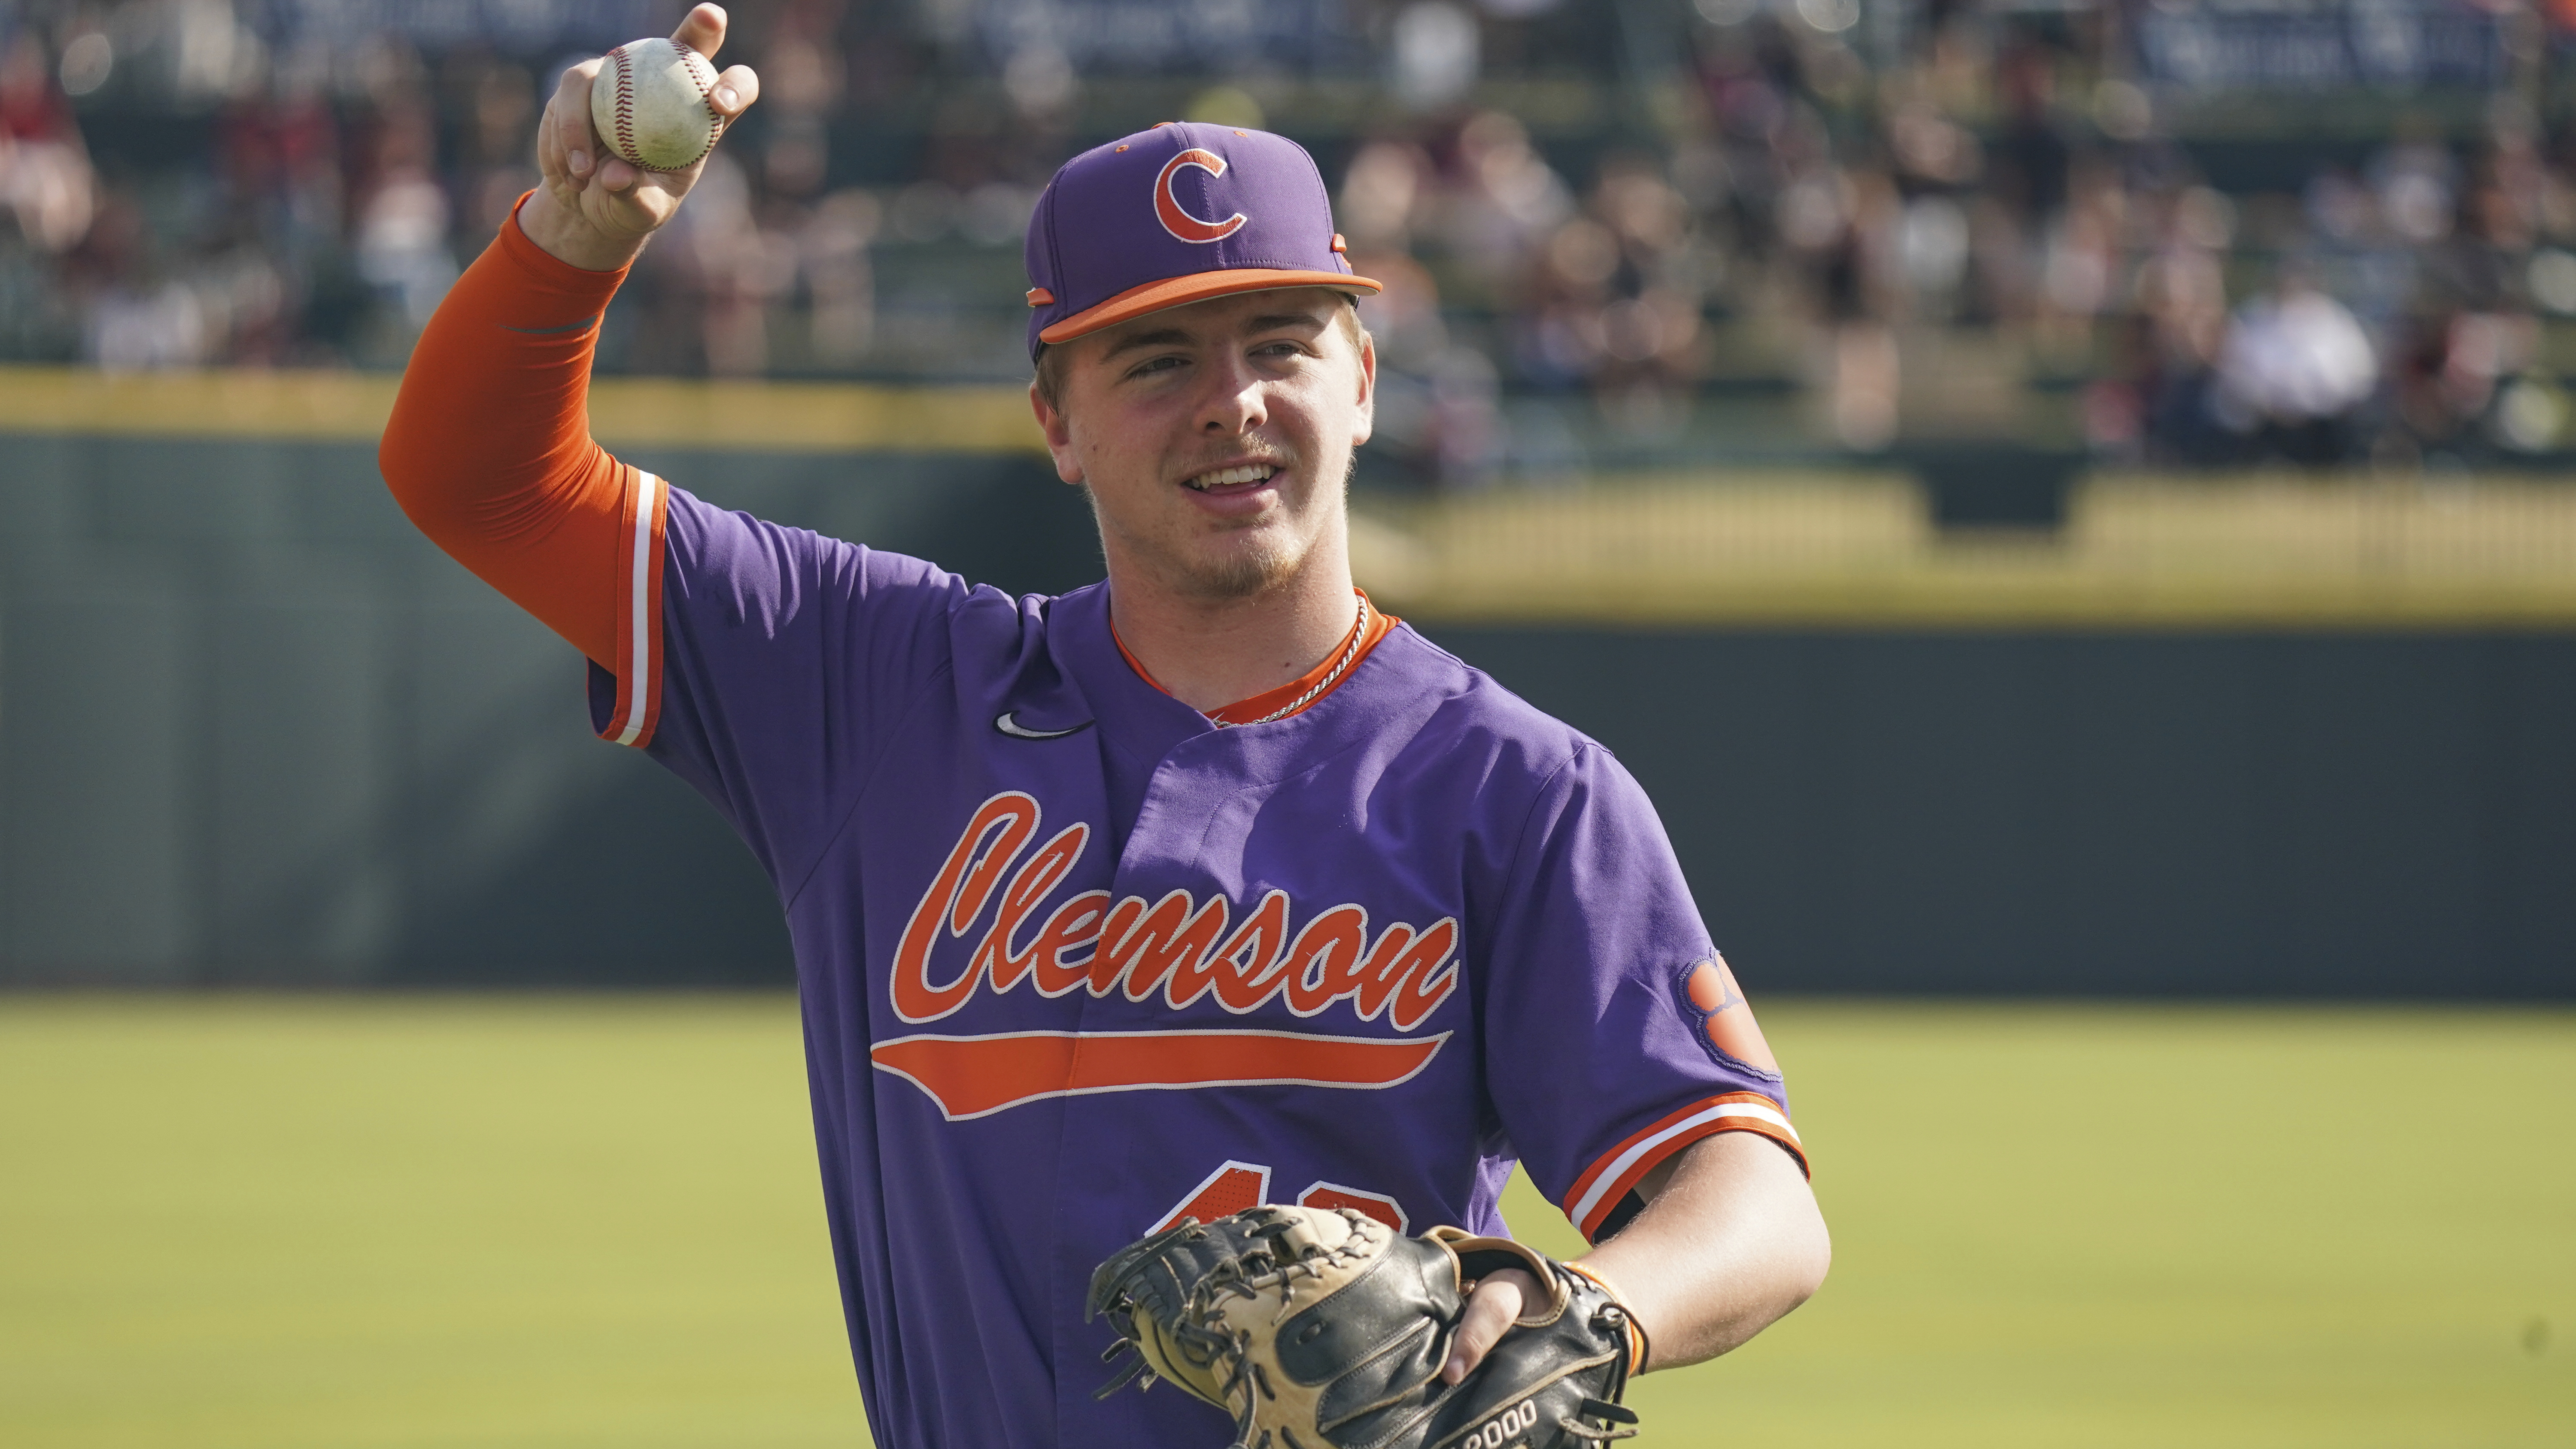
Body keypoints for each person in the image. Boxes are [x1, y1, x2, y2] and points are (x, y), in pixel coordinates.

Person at [379, 9, 1829, 1446]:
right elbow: (478, 476)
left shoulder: (1516, 788)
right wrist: (572, 239)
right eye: (1156, 362)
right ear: (1055, 421)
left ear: (1366, 383)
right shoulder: (877, 686)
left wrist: (1588, 1309)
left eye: (1282, 342)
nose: (1234, 403)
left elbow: (1751, 1200)